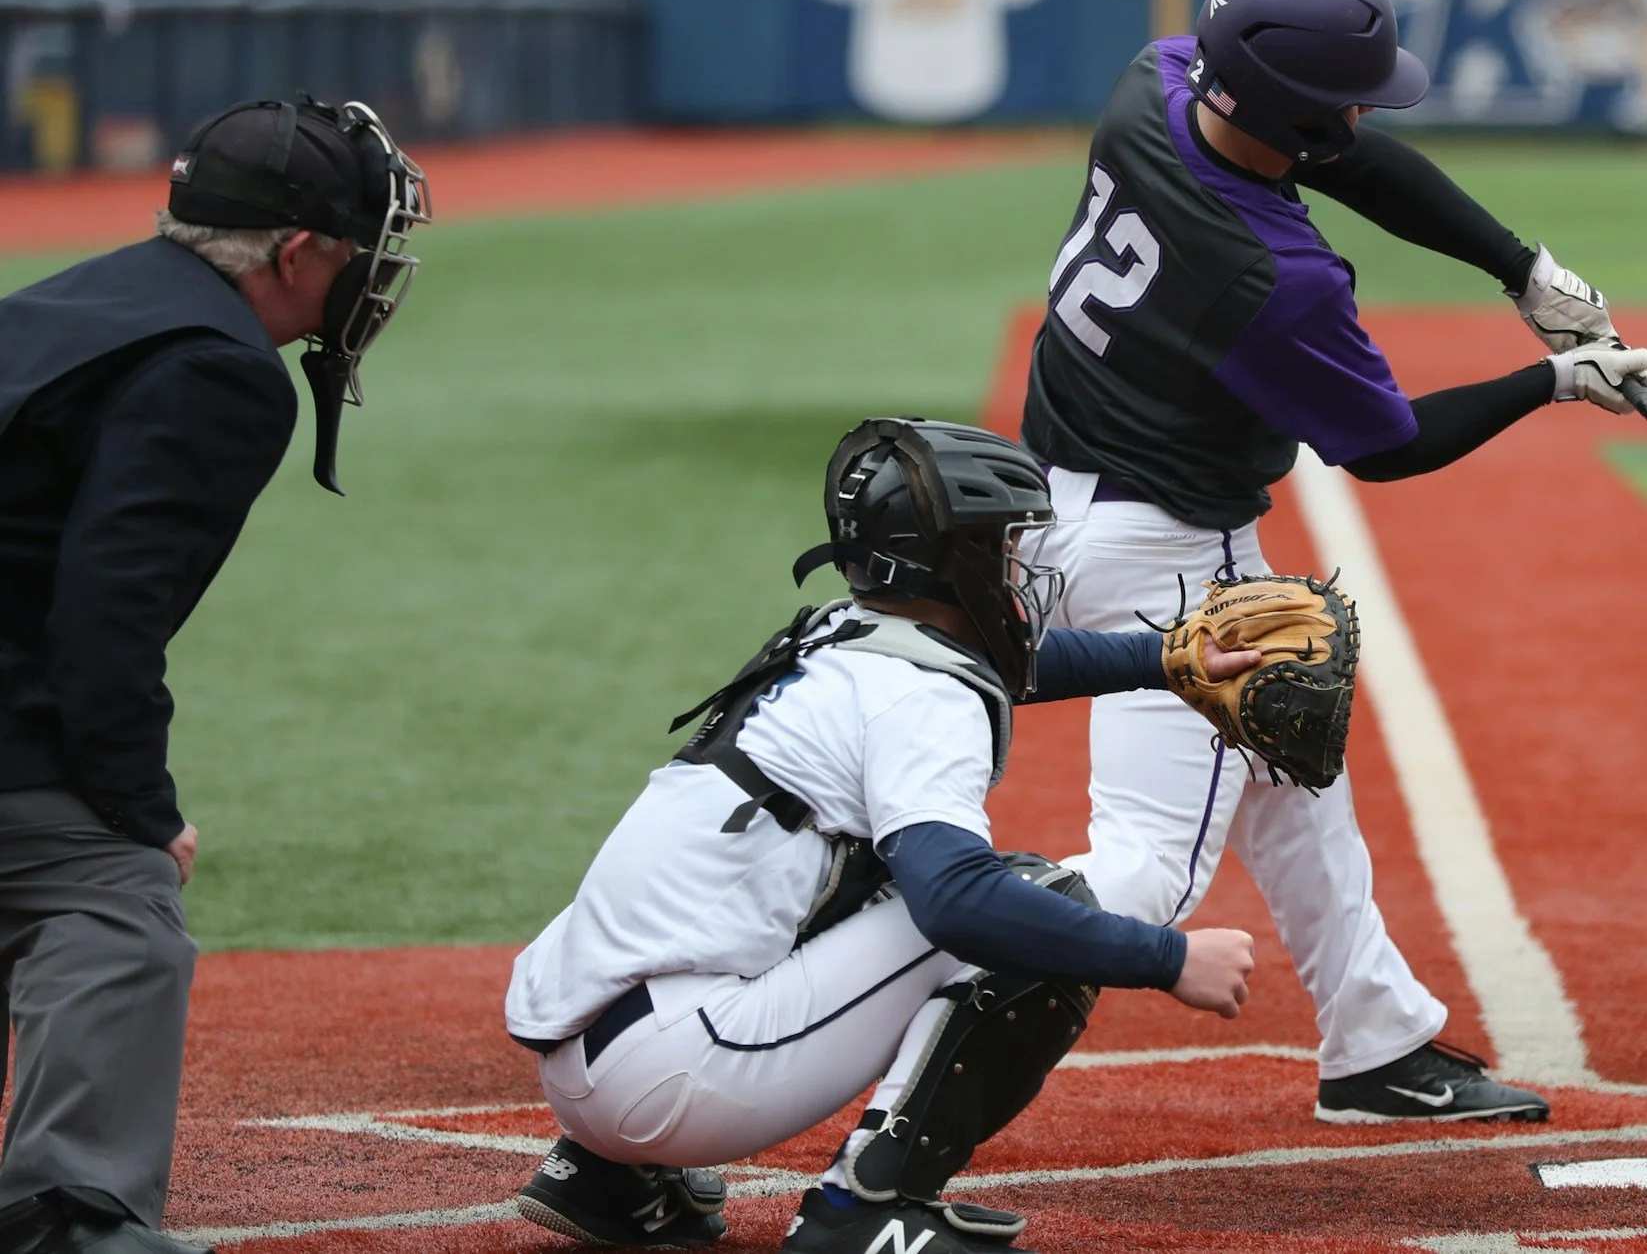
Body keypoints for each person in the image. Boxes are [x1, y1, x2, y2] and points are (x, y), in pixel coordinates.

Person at [1020, 0, 1647, 1124]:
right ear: (1295, 115)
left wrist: (1518, 266)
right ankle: (901, 957)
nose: (1368, 110)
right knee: (1145, 871)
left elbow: (1341, 149)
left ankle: (1375, 1037)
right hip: (1168, 555)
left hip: (1049, 506)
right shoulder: (1277, 279)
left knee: (1290, 763)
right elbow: (1387, 444)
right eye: (1352, 94)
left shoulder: (1152, 85)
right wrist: (1554, 378)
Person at [504, 418, 1268, 1254]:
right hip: (680, 1073)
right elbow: (958, 904)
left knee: (860, 871)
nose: (1023, 566)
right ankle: (867, 1205)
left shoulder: (844, 632)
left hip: (591, 1055)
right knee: (1025, 903)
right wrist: (1169, 960)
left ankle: (612, 1180)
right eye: (1006, 544)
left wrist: (1169, 658)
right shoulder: (920, 701)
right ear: (958, 562)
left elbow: (1020, 663)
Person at [0, 98, 430, 1254]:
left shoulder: (86, 296)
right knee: (114, 901)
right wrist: (138, 810)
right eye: (361, 251)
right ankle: (70, 1211)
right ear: (300, 253)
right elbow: (106, 619)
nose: (374, 275)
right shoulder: (218, 368)